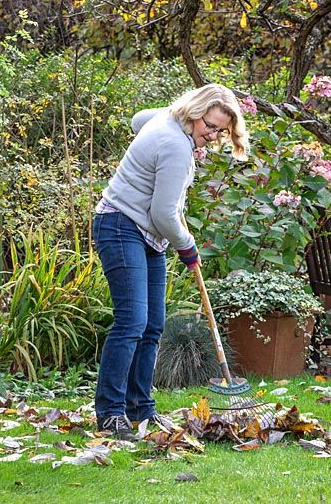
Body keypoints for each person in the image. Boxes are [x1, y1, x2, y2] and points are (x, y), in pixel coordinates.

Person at [92, 83, 250, 440]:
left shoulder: (168, 120)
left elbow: (138, 119)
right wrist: (187, 245)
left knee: (153, 325)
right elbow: (163, 213)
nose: (211, 135)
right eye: (208, 125)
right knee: (132, 321)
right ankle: (111, 413)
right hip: (120, 225)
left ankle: (141, 408)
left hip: (145, 232)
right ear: (194, 112)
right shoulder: (177, 144)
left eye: (219, 130)